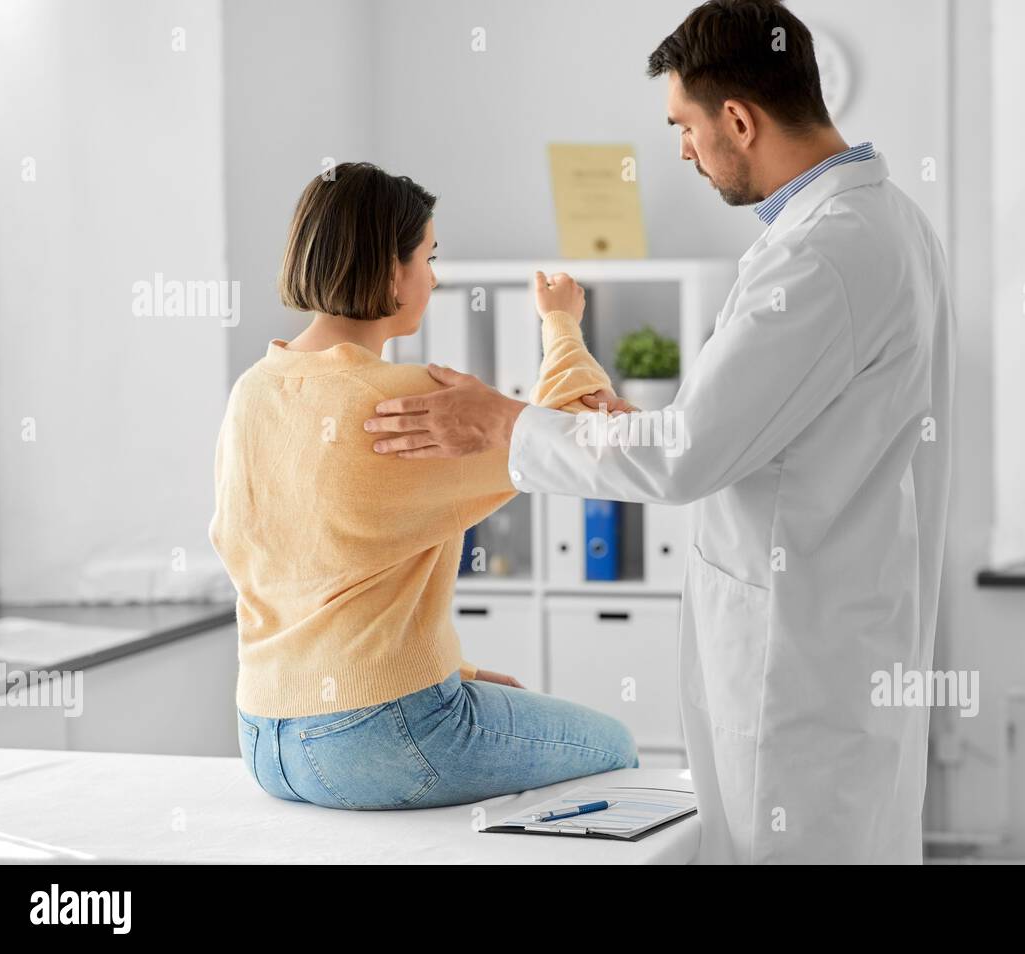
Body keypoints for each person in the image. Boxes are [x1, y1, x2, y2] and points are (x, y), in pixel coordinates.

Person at [367, 0, 955, 863]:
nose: (680, 150)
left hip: (798, 660)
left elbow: (686, 462)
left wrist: (503, 423)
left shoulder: (820, 254)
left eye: (683, 126)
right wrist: (651, 427)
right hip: (840, 625)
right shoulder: (886, 222)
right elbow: (765, 427)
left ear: (739, 120)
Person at [210, 161, 637, 812]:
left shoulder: (253, 393)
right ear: (390, 268)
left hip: (263, 738)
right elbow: (575, 434)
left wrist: (454, 673)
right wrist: (561, 322)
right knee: (616, 750)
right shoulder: (402, 403)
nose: (433, 278)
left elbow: (286, 568)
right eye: (428, 256)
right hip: (379, 733)